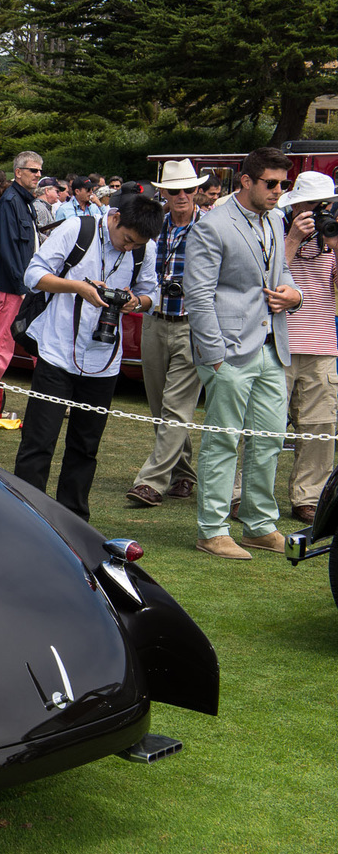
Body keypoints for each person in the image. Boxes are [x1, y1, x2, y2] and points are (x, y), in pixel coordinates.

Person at [13, 194, 163, 522]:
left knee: (86, 447)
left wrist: (136, 302)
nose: (128, 248)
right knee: (39, 440)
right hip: (57, 351)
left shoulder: (143, 248)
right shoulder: (76, 229)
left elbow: (153, 292)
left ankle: (73, 520)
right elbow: (33, 276)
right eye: (126, 239)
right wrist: (78, 288)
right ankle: (25, 516)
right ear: (114, 217)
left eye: (136, 244)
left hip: (104, 359)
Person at [185, 147, 304, 559]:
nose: (278, 192)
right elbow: (197, 297)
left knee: (270, 439)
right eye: (271, 184)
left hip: (272, 345)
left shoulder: (274, 217)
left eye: (282, 185)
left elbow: (281, 274)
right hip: (229, 352)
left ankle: (258, 525)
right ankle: (212, 529)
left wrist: (296, 295)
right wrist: (215, 357)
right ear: (247, 181)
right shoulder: (212, 226)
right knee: (223, 441)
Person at [126, 158, 208, 509]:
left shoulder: (211, 226)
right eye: (175, 190)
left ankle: (150, 481)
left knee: (176, 408)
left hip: (193, 324)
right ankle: (184, 474)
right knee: (160, 407)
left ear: (198, 190)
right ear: (164, 192)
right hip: (155, 319)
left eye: (189, 189)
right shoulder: (153, 224)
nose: (182, 196)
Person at [276, 172, 338, 524]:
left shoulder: (331, 239)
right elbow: (268, 274)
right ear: (295, 204)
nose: (317, 211)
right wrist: (294, 238)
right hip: (280, 343)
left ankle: (309, 497)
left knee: (320, 428)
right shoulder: (276, 230)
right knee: (265, 426)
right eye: (311, 204)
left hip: (322, 345)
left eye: (323, 205)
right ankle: (245, 494)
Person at [0, 151, 44, 387]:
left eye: (40, 170)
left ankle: (48, 389)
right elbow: (8, 247)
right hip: (16, 286)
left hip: (27, 283)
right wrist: (21, 285)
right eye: (33, 170)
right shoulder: (11, 201)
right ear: (18, 173)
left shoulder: (24, 200)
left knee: (36, 339)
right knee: (3, 342)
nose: (38, 174)